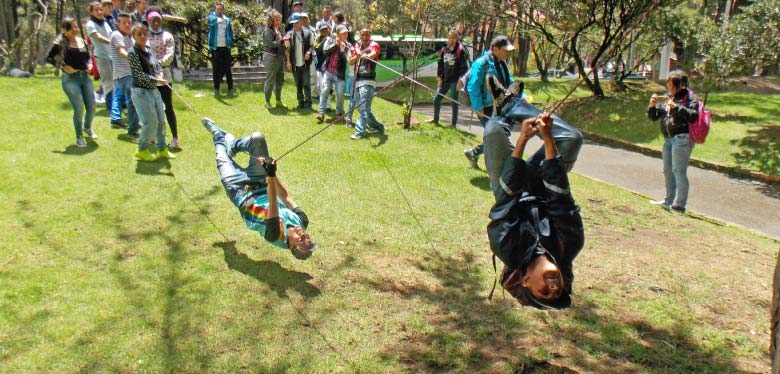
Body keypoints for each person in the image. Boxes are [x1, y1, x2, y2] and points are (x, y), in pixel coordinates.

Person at [487, 113, 584, 310]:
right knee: (572, 138)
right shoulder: (571, 243)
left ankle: (506, 108)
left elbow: (507, 197)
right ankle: (517, 106)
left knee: (494, 129)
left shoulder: (506, 247)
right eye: (558, 291)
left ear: (526, 281)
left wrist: (523, 138)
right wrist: (547, 136)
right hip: (541, 186)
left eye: (544, 292)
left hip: (509, 188)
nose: (553, 288)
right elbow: (560, 197)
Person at [201, 117, 317, 259]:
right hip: (260, 182)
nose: (303, 234)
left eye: (301, 240)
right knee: (258, 138)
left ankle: (218, 134)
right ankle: (232, 145)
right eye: (307, 237)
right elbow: (285, 196)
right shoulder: (302, 221)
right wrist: (270, 170)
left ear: (291, 245)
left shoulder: (275, 235)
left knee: (221, 155)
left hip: (239, 191)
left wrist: (270, 174)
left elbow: (273, 202)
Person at [647, 70, 699, 213]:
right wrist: (652, 106)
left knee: (678, 170)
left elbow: (693, 115)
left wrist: (677, 107)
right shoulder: (669, 97)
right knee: (668, 170)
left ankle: (680, 205)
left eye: (671, 84)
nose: (668, 87)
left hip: (682, 138)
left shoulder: (690, 97)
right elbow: (654, 117)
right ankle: (668, 201)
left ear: (680, 85)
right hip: (668, 139)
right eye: (668, 84)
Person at [464, 35, 514, 169]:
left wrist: (521, 96)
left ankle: (473, 153)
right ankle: (502, 168)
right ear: (495, 49)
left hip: (500, 106)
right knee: (497, 137)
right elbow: (473, 86)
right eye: (505, 50)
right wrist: (478, 107)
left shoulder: (502, 64)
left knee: (497, 136)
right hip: (486, 108)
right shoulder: (482, 63)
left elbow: (510, 83)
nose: (508, 53)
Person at [128, 22, 175, 162]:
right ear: (134, 36)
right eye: (139, 34)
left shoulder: (149, 49)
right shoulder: (132, 52)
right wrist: (156, 79)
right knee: (150, 122)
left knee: (161, 120)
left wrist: (160, 74)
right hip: (141, 92)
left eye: (144, 33)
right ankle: (141, 150)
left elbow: (156, 66)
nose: (143, 36)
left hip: (154, 90)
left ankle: (162, 149)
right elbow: (138, 74)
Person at [50, 17, 97, 147]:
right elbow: (50, 58)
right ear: (65, 31)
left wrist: (89, 65)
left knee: (92, 106)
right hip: (70, 79)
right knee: (79, 107)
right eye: (72, 28)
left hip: (84, 77)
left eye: (76, 27)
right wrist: (63, 67)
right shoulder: (60, 43)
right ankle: (79, 137)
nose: (75, 30)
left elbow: (87, 57)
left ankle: (87, 127)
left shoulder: (82, 41)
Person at [147, 8, 180, 149]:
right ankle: (154, 135)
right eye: (152, 20)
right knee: (152, 107)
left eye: (158, 20)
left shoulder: (167, 36)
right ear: (148, 20)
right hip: (148, 76)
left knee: (168, 107)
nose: (155, 23)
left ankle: (175, 137)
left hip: (164, 75)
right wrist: (148, 66)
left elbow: (170, 55)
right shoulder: (144, 35)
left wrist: (156, 64)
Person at [348, 28, 384, 139]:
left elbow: (374, 53)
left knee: (363, 108)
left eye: (367, 35)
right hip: (357, 80)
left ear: (370, 36)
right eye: (362, 34)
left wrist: (365, 55)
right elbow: (350, 61)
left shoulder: (374, 45)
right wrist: (357, 56)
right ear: (359, 35)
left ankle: (359, 132)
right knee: (362, 108)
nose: (364, 37)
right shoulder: (356, 46)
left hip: (368, 81)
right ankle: (378, 127)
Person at [428, 28, 469, 128]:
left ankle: (453, 124)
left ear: (457, 38)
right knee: (436, 99)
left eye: (453, 38)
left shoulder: (461, 50)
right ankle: (435, 120)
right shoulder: (445, 49)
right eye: (450, 37)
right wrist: (439, 78)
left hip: (455, 80)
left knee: (454, 101)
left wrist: (460, 80)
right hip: (445, 79)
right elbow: (440, 63)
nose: (451, 40)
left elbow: (464, 68)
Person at [86, 1, 114, 113]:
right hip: (102, 57)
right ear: (91, 12)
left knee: (116, 80)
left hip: (111, 55)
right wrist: (112, 42)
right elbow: (98, 37)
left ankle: (117, 104)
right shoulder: (90, 24)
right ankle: (110, 105)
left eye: (100, 9)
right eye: (96, 10)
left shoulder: (105, 22)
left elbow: (111, 34)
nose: (99, 12)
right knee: (108, 82)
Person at [317, 25, 349, 122]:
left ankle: (339, 113)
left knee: (339, 94)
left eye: (346, 33)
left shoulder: (348, 45)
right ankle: (321, 112)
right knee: (325, 90)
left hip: (339, 74)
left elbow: (347, 60)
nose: (345, 35)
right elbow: (325, 51)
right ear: (338, 34)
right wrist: (336, 45)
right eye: (343, 34)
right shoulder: (330, 40)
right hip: (328, 71)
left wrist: (342, 51)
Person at [284, 13, 314, 110]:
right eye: (294, 23)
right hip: (294, 64)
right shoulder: (289, 35)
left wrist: (308, 52)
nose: (295, 25)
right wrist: (288, 62)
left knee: (306, 83)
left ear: (301, 22)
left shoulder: (308, 33)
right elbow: (287, 50)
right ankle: (300, 103)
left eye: (297, 22)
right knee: (298, 84)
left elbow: (311, 45)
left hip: (305, 64)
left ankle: (308, 103)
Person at [208, 2, 235, 97]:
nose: (219, 11)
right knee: (216, 69)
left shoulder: (227, 19)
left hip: (226, 46)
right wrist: (219, 20)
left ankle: (230, 89)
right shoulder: (212, 17)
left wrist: (231, 41)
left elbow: (230, 31)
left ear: (223, 10)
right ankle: (216, 89)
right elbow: (211, 22)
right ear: (215, 9)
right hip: (215, 47)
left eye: (221, 9)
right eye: (218, 9)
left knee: (228, 69)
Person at [262, 9, 286, 110]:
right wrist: (281, 41)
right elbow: (270, 44)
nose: (278, 22)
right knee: (270, 81)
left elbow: (280, 43)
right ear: (271, 20)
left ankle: (278, 100)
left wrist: (285, 42)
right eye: (276, 20)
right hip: (270, 58)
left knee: (280, 80)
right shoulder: (268, 31)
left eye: (279, 20)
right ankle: (267, 102)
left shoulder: (278, 30)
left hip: (279, 58)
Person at [312, 21, 331, 119]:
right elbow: (316, 49)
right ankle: (323, 104)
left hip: (327, 66)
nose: (324, 31)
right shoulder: (317, 38)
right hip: (318, 65)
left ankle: (327, 105)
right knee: (319, 86)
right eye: (322, 29)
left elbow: (324, 51)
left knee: (325, 86)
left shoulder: (330, 39)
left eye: (326, 29)